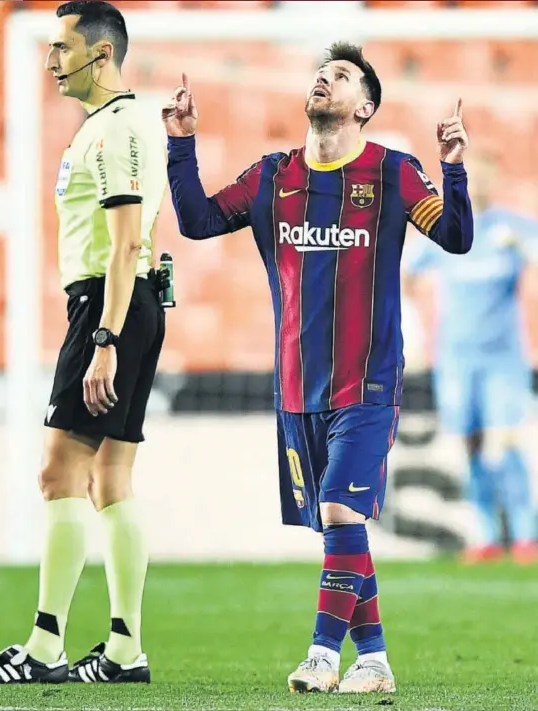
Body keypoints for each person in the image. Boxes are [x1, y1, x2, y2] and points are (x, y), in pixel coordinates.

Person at [164, 43, 472, 694]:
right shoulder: (270, 175)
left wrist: (452, 173)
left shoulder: (392, 172)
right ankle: (376, 662)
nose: (323, 80)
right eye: (319, 73)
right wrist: (181, 143)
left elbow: (453, 236)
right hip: (297, 385)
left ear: (364, 106)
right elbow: (195, 221)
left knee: (337, 508)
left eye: (340, 76)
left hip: (368, 382)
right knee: (340, 528)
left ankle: (321, 655)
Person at [0, 0, 167, 685]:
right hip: (130, 303)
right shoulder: (115, 126)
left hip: (108, 304)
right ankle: (125, 651)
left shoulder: (117, 129)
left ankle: (43, 648)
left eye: (60, 48)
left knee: (58, 473)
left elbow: (125, 244)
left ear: (99, 54)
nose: (49, 60)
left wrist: (104, 338)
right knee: (108, 479)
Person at [404, 150, 538, 565]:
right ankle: (485, 536)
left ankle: (525, 535)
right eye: (468, 177)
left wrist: (521, 247)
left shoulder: (512, 227)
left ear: (493, 180)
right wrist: (422, 327)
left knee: (505, 441)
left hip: (502, 357)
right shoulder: (447, 229)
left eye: (482, 176)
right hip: (456, 358)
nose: (474, 184)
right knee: (472, 446)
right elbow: (406, 272)